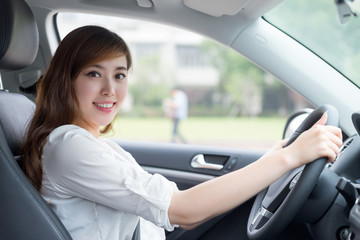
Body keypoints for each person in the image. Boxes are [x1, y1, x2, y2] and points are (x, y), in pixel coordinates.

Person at [21, 25, 343, 240]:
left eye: (119, 75)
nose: (110, 89)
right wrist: (289, 158)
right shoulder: (69, 145)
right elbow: (183, 210)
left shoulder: (89, 142)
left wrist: (279, 153)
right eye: (94, 73)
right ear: (68, 80)